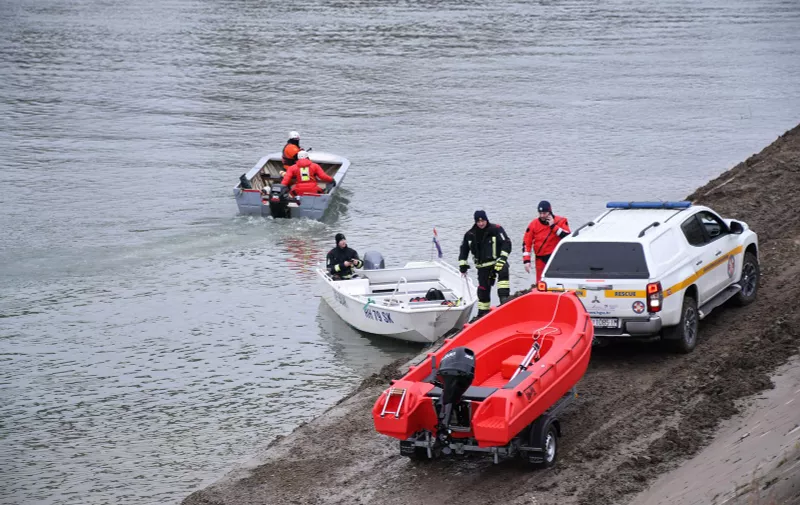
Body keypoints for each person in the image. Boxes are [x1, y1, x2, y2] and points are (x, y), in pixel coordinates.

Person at [458, 210, 512, 318]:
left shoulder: (496, 229)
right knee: (483, 291)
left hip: (497, 263)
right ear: (475, 222)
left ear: (486, 220)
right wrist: (463, 265)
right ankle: (482, 314)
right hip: (482, 267)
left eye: (483, 221)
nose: (481, 223)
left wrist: (502, 258)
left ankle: (504, 301)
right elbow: (464, 250)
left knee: (504, 271)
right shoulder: (470, 234)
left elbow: (506, 243)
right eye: (478, 222)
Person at [522, 200, 571, 283]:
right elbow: (526, 243)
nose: (542, 216)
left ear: (550, 212)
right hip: (540, 258)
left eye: (544, 213)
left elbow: (567, 237)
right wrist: (526, 260)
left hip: (555, 257)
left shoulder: (561, 221)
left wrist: (553, 226)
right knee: (541, 283)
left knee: (557, 282)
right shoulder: (533, 224)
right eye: (540, 213)